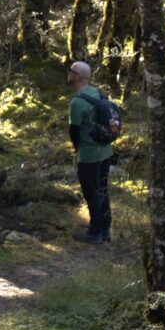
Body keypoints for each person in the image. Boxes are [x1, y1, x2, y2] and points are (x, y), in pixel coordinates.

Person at [67, 61, 112, 244]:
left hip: (89, 156)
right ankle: (105, 230)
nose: (68, 73)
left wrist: (77, 152)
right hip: (106, 152)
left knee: (91, 193)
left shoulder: (77, 102)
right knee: (102, 190)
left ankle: (94, 233)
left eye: (71, 71)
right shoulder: (99, 93)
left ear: (78, 76)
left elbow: (74, 132)